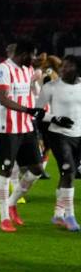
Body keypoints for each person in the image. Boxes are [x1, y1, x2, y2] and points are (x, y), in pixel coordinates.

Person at [0, 39, 46, 232]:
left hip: (26, 127)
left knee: (37, 168)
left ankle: (11, 203)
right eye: (32, 55)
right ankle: (4, 218)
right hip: (7, 129)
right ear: (23, 54)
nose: (34, 59)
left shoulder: (28, 70)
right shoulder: (2, 70)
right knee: (5, 171)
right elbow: (4, 99)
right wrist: (28, 110)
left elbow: (33, 93)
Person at [37, 55, 81, 231]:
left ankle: (58, 214)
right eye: (62, 65)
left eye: (68, 66)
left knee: (68, 175)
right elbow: (36, 112)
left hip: (78, 135)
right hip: (58, 135)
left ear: (77, 69)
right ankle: (70, 216)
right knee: (68, 171)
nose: (63, 69)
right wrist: (54, 118)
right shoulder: (50, 87)